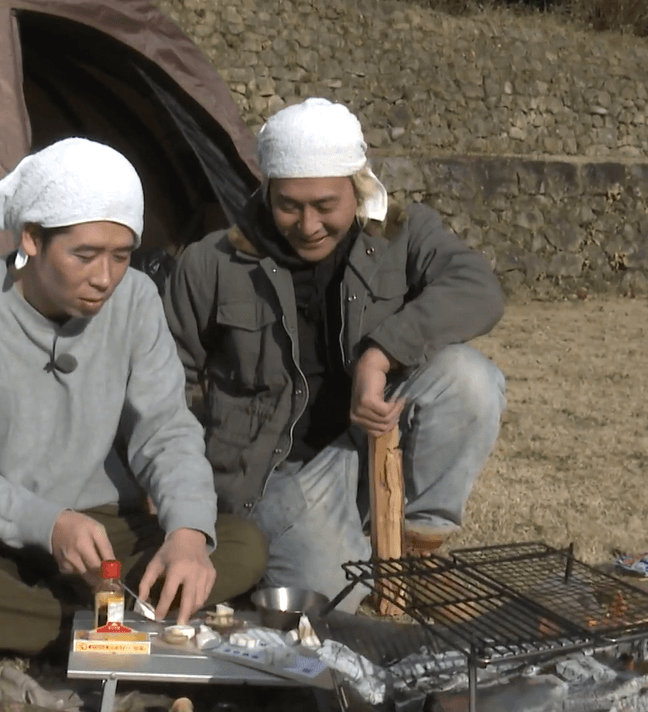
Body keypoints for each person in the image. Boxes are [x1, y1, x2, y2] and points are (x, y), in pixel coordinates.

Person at [0, 138, 267, 657]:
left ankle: (48, 623)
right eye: (85, 256)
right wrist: (47, 525)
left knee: (242, 545)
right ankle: (94, 630)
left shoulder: (137, 299)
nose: (105, 278)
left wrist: (187, 534)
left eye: (121, 257)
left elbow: (166, 429)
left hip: (104, 533)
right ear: (32, 238)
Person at [162, 98, 507, 613]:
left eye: (326, 206)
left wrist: (380, 354)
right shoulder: (211, 262)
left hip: (370, 443)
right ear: (267, 190)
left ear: (358, 186)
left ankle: (417, 549)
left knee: (469, 378)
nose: (308, 225)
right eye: (289, 205)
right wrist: (179, 486)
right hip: (277, 476)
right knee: (331, 602)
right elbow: (170, 378)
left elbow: (479, 290)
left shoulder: (402, 234)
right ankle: (347, 550)